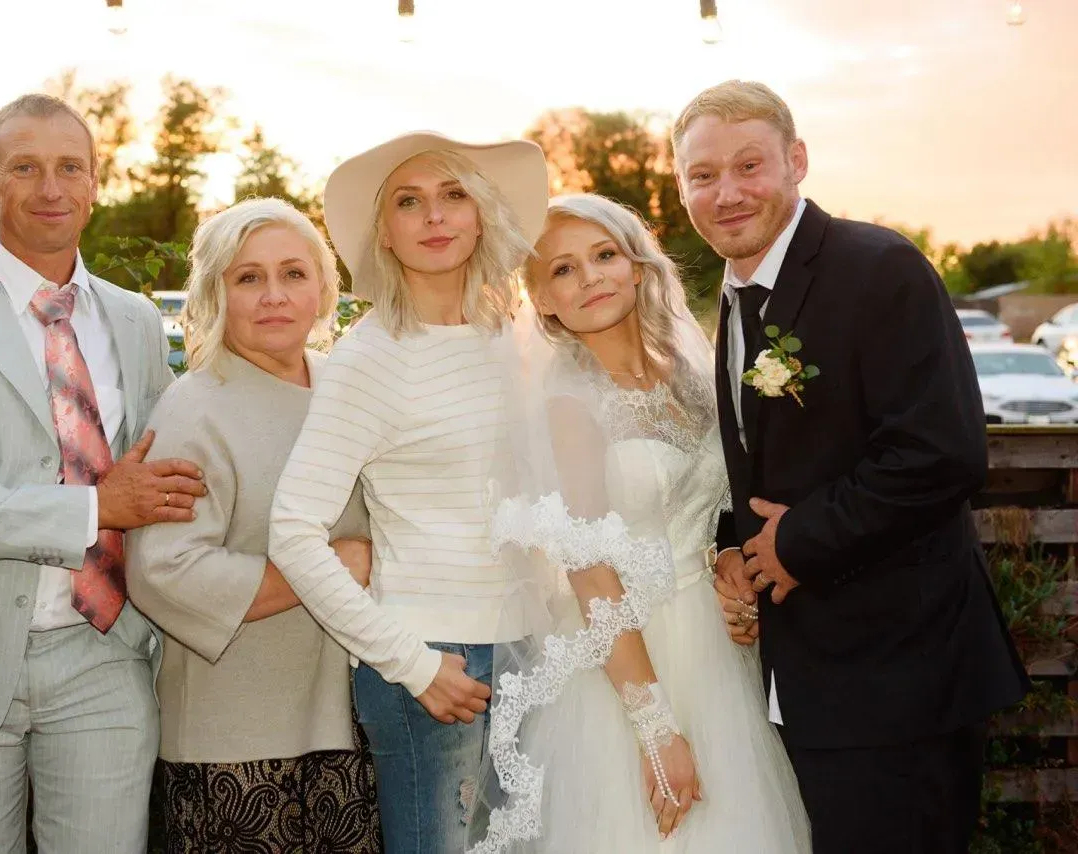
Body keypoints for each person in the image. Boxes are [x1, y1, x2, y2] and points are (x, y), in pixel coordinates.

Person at [674, 79, 1030, 853]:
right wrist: (738, 546)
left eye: (749, 166)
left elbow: (944, 451)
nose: (727, 193)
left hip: (901, 675)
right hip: (815, 678)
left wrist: (796, 544)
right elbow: (784, 457)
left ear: (796, 161)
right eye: (703, 175)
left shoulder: (877, 267)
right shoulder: (738, 298)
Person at [0, 93, 206, 852]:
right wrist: (95, 508)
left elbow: (161, 476)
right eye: (25, 167)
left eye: (68, 168)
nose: (50, 189)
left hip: (105, 653)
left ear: (94, 183)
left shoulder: (136, 321)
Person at [466, 193, 811, 853]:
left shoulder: (692, 374)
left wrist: (728, 563)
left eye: (602, 255)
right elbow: (589, 571)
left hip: (714, 647)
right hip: (623, 660)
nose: (590, 277)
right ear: (540, 300)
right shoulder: (569, 403)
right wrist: (654, 729)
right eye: (563, 270)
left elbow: (716, 511)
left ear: (636, 265)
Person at [267, 131, 548, 851]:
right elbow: (293, 531)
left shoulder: (515, 335)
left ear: (482, 214)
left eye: (454, 195)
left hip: (530, 648)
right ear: (383, 235)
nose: (435, 217)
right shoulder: (369, 358)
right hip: (431, 661)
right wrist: (410, 663)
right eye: (409, 202)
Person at [125, 197, 382, 852]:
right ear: (216, 293)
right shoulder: (194, 409)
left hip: (354, 729)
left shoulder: (347, 391)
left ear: (324, 288)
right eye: (249, 277)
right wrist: (323, 569)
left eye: (294, 273)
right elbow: (164, 570)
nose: (275, 295)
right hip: (236, 746)